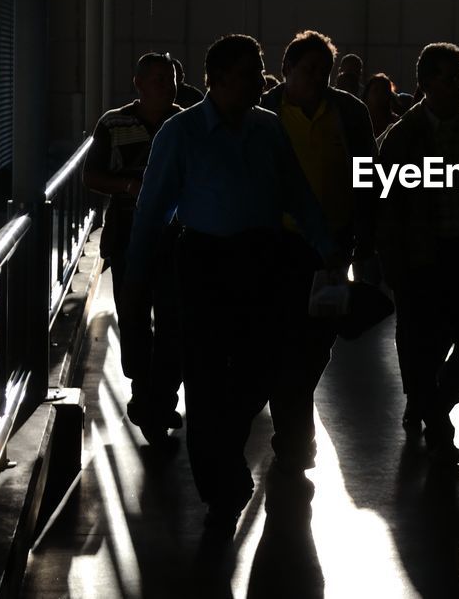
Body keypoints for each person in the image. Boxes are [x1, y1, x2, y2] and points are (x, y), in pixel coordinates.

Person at [126, 34, 340, 541]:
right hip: (204, 262)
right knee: (202, 377)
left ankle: (225, 458)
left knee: (258, 370)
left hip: (262, 262)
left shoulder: (267, 130)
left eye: (259, 69)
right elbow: (152, 210)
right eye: (248, 72)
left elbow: (298, 195)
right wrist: (135, 276)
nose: (258, 79)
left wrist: (328, 248)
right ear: (216, 80)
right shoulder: (181, 134)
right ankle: (221, 490)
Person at [376, 43, 459, 465]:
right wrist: (393, 263)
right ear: (426, 83)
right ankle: (437, 427)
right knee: (423, 347)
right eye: (449, 78)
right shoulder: (401, 138)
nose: (458, 86)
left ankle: (430, 404)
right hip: (420, 259)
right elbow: (385, 205)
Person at [260, 30, 378, 475]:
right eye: (309, 70)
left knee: (317, 341)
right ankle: (294, 434)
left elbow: (368, 179)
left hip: (332, 243)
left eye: (324, 72)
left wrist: (364, 243)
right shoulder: (264, 111)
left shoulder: (349, 112)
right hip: (279, 243)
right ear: (286, 68)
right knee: (284, 338)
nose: (319, 79)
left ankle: (294, 411)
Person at [83, 52, 183, 442]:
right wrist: (128, 186)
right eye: (158, 78)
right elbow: (91, 175)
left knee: (174, 319)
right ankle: (145, 394)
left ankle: (164, 398)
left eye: (171, 78)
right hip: (127, 233)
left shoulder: (185, 121)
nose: (166, 85)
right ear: (138, 84)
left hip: (176, 234)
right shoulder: (113, 122)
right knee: (136, 316)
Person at [362, 72, 399, 138]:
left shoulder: (395, 122)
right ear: (367, 93)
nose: (380, 94)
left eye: (384, 91)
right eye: (376, 90)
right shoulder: (358, 118)